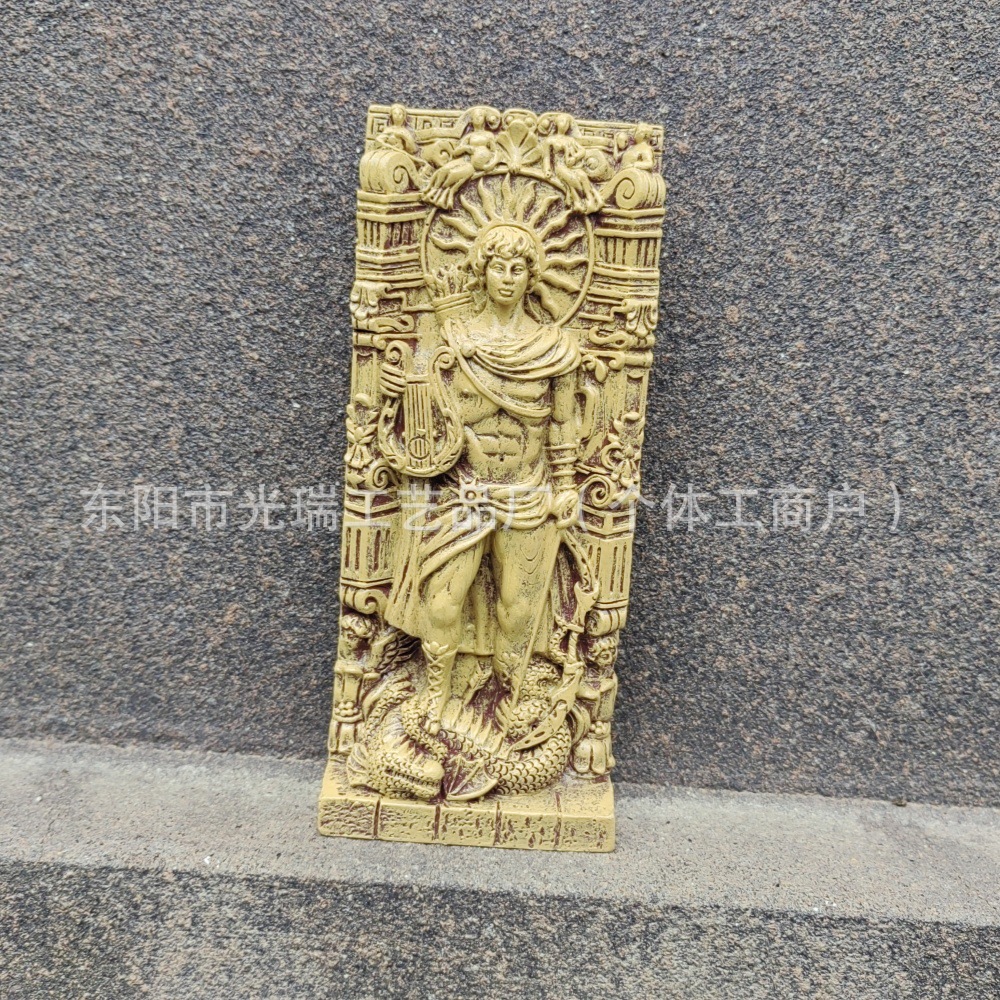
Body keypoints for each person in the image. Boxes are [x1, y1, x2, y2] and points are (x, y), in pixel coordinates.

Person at [382, 224, 581, 733]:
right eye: (498, 267)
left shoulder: (555, 348)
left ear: (532, 277)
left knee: (518, 608)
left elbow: (563, 421)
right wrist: (397, 387)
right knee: (442, 602)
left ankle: (507, 694)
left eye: (517, 269)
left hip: (526, 490)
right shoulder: (451, 341)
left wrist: (564, 485)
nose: (507, 278)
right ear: (482, 272)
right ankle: (435, 693)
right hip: (462, 490)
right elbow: (421, 415)